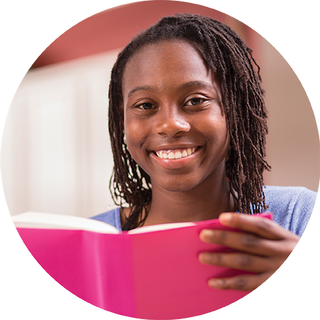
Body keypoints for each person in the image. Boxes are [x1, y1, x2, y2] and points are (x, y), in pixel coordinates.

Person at [92, 13, 317, 291]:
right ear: (121, 119)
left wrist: (304, 277)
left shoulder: (300, 216)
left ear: (236, 109)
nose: (170, 125)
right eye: (145, 105)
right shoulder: (89, 242)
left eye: (195, 100)